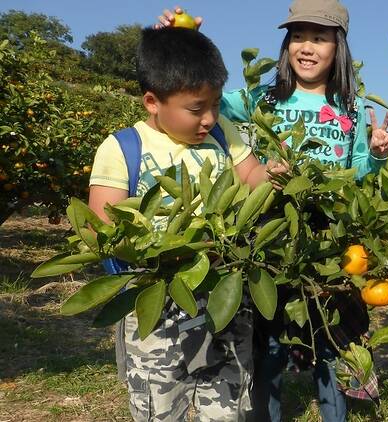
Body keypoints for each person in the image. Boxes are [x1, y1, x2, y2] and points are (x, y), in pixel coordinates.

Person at [157, 1, 388, 421]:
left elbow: (357, 174)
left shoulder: (353, 109)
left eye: (319, 38)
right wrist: (180, 43)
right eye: (298, 36)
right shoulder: (259, 98)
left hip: (328, 239)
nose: (307, 47)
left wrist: (374, 154)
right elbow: (197, 100)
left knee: (329, 340)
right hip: (267, 235)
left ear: (337, 48)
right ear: (286, 46)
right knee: (267, 343)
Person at [87, 27, 282, 421]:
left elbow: (251, 177)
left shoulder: (222, 136)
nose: (209, 117)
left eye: (214, 104)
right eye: (196, 108)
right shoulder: (123, 147)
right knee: (160, 408)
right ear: (152, 102)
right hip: (157, 307)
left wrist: (273, 174)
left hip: (224, 299)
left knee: (227, 407)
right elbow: (99, 229)